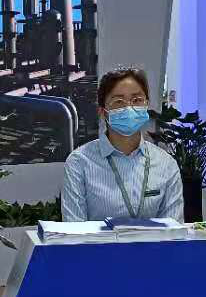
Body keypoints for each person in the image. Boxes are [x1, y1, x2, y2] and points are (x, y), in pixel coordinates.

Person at [61, 66, 183, 222]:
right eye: (119, 101)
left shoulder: (166, 164)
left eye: (137, 100)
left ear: (146, 106)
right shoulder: (79, 163)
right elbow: (74, 230)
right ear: (103, 112)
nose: (129, 108)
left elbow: (173, 229)